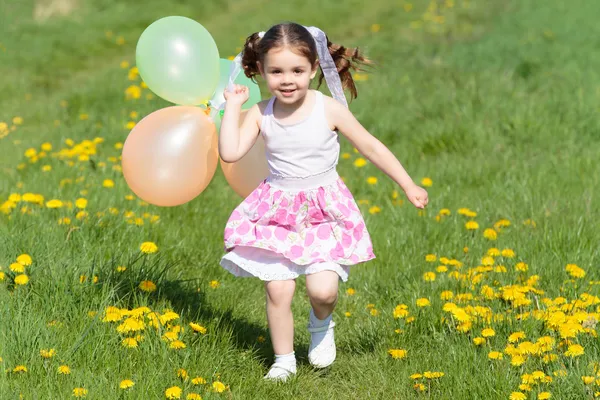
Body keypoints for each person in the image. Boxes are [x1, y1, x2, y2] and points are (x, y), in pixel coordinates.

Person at [217, 22, 429, 382]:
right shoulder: (261, 113)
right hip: (277, 211)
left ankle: (321, 323)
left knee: (323, 289)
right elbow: (230, 151)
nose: (287, 80)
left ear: (314, 69)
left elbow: (370, 146)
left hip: (324, 211)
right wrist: (234, 107)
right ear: (263, 71)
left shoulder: (327, 108)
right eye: (277, 71)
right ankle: (283, 360)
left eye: (297, 71)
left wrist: (407, 183)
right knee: (278, 288)